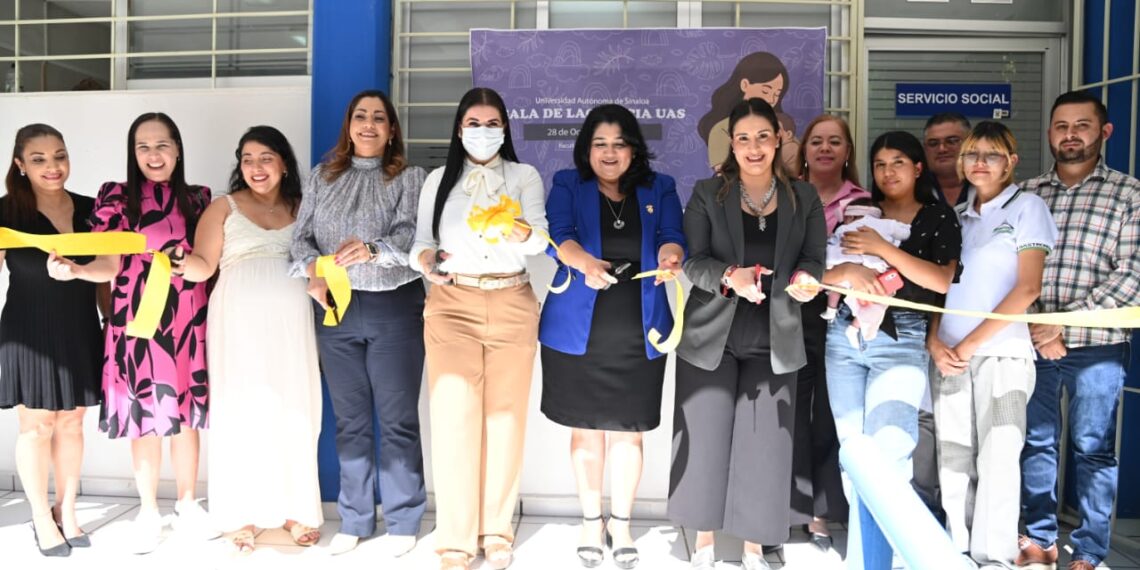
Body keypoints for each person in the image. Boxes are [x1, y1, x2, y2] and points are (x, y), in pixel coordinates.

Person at [45, 112, 217, 554]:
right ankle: (147, 510)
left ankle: (186, 503)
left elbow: (207, 262)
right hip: (135, 319)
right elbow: (110, 262)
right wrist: (79, 271)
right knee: (145, 415)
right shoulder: (115, 197)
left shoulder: (199, 200)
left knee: (184, 415)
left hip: (185, 317)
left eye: (162, 145)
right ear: (133, 153)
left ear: (177, 149)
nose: (153, 155)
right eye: (143, 147)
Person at [669, 98, 826, 570]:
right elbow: (692, 262)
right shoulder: (705, 193)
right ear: (731, 146)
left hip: (775, 337)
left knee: (765, 448)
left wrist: (805, 282)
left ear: (777, 140)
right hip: (710, 336)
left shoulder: (804, 197)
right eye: (743, 139)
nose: (754, 147)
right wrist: (728, 276)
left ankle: (756, 547)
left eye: (763, 137)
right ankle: (703, 546)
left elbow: (814, 261)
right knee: (704, 439)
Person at [538, 104, 686, 570]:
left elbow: (672, 233)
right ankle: (589, 520)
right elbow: (556, 234)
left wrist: (670, 254)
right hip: (578, 327)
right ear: (586, 149)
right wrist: (582, 261)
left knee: (628, 435)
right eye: (599, 143)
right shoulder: (568, 183)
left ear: (634, 149)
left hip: (640, 328)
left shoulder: (659, 187)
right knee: (586, 432)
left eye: (619, 143)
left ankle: (620, 524)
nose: (609, 152)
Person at [410, 86, 549, 570]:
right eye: (474, 123)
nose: (483, 132)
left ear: (505, 129)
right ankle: (455, 542)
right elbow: (420, 245)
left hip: (513, 299)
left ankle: (497, 532)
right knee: (454, 421)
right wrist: (426, 262)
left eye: (493, 124)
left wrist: (521, 231)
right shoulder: (437, 180)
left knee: (505, 421)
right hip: (452, 303)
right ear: (459, 128)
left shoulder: (524, 175)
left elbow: (540, 240)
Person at [288, 89, 428, 556]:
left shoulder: (411, 178)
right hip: (335, 310)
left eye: (379, 118)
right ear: (349, 126)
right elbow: (301, 237)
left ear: (391, 130)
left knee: (397, 419)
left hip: (394, 308)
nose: (369, 125)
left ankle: (405, 518)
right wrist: (313, 273)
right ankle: (354, 518)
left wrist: (372, 250)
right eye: (360, 117)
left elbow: (413, 238)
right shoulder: (321, 176)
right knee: (349, 420)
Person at [178, 126, 322, 554]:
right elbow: (203, 265)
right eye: (247, 159)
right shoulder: (223, 207)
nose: (256, 168)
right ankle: (240, 514)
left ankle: (296, 510)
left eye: (265, 158)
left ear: (283, 162)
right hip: (236, 320)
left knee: (295, 406)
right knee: (241, 410)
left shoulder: (302, 206)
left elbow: (319, 261)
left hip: (292, 321)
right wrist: (175, 263)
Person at [824, 130, 961, 570]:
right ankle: (867, 558)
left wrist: (883, 249)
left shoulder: (939, 217)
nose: (888, 172)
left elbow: (942, 282)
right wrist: (847, 266)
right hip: (845, 335)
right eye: (880, 164)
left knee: (891, 452)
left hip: (902, 339)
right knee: (854, 455)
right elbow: (829, 266)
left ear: (918, 168)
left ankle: (897, 558)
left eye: (898, 163)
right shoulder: (861, 213)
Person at [1018, 91, 1140, 570]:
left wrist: (1061, 323)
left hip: (1098, 347)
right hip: (1031, 341)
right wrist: (1039, 327)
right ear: (1050, 133)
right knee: (1037, 440)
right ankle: (1040, 538)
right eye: (1062, 126)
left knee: (1093, 448)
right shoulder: (1027, 194)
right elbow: (1009, 270)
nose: (1071, 135)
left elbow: (1132, 273)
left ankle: (1089, 549)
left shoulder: (1129, 193)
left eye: (1082, 125)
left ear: (1103, 132)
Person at [926, 120, 1055, 569]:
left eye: (992, 154)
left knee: (999, 457)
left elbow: (1027, 289)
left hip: (1003, 354)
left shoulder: (1028, 208)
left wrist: (972, 343)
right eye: (972, 154)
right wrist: (935, 342)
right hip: (951, 356)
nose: (980, 162)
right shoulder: (958, 216)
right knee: (954, 456)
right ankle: (956, 549)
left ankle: (994, 556)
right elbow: (941, 289)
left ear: (1011, 162)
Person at [1, 124, 105, 557]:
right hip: (27, 330)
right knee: (37, 426)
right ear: (20, 165)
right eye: (39, 159)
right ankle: (41, 517)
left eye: (59, 155)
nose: (52, 166)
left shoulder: (90, 207)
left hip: (79, 325)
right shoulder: (5, 211)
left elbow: (108, 268)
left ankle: (68, 508)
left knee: (71, 423)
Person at [790, 115, 864, 548]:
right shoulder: (788, 195)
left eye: (834, 141)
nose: (824, 148)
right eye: (816, 141)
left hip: (843, 318)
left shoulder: (865, 201)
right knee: (789, 413)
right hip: (789, 312)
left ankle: (820, 511)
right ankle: (787, 507)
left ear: (847, 151)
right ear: (804, 150)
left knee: (829, 420)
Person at [822, 197, 911, 345]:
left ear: (849, 216)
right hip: (876, 271)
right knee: (878, 301)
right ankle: (857, 326)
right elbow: (906, 232)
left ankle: (831, 309)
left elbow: (829, 245)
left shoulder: (842, 228)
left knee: (836, 286)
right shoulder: (885, 224)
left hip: (845, 267)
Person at [699, 52, 801, 176]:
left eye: (777, 94)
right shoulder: (720, 130)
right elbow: (724, 177)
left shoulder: (784, 129)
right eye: (766, 91)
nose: (772, 99)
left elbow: (797, 168)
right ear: (745, 85)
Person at [923, 113, 972, 206]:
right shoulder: (911, 191)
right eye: (933, 143)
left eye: (952, 141)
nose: (942, 149)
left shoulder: (992, 187)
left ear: (971, 144)